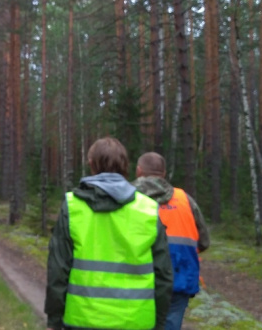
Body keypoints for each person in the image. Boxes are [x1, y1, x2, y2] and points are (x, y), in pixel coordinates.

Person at [45, 137, 173, 330]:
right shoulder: (148, 209)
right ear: (126, 166)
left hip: (83, 319)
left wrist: (54, 321)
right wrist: (160, 323)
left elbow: (58, 270)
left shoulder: (72, 206)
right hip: (136, 321)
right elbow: (163, 275)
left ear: (91, 164)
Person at [133, 152, 210, 330]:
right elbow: (204, 242)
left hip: (136, 280)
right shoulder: (185, 200)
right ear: (164, 173)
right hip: (178, 281)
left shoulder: (127, 197)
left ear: (138, 171)